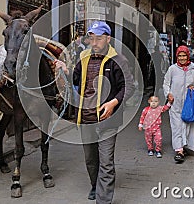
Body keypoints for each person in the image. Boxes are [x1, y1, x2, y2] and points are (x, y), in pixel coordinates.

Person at [55, 21, 135, 203]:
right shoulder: (84, 56)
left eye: (99, 38)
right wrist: (65, 69)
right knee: (91, 160)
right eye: (92, 38)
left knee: (106, 162)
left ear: (107, 38)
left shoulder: (118, 60)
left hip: (107, 119)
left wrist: (113, 102)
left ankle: (103, 199)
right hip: (85, 118)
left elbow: (128, 86)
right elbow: (75, 78)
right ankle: (94, 185)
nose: (95, 42)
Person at [163, 45, 194, 163]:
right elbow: (166, 84)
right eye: (179, 56)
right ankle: (179, 150)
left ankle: (186, 146)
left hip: (188, 103)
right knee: (176, 126)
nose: (181, 58)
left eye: (184, 55)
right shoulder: (172, 69)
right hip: (175, 103)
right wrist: (168, 94)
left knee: (187, 125)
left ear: (188, 56)